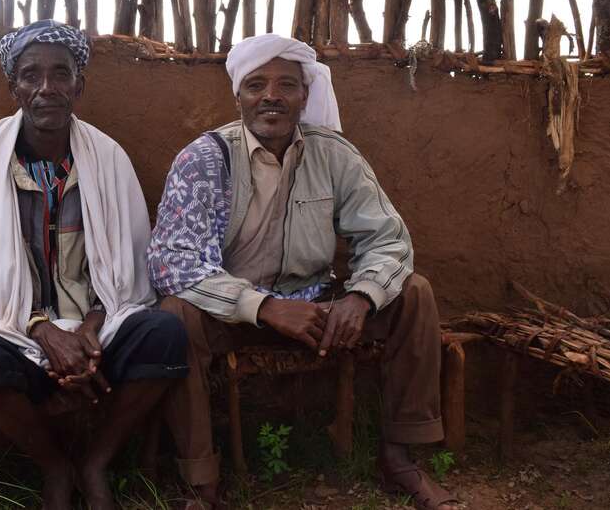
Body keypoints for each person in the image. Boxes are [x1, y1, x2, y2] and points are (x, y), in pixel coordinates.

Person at [147, 34, 459, 510]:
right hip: (236, 314)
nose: (271, 96)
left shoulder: (333, 154)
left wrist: (361, 297)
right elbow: (173, 260)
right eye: (256, 85)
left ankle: (400, 460)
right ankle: (201, 481)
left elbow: (389, 239)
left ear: (305, 95)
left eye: (286, 85)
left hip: (318, 309)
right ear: (238, 96)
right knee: (174, 315)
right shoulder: (204, 160)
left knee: (414, 293)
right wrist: (265, 307)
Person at [0, 20, 189, 510]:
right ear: (14, 87)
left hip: (96, 332)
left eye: (60, 74)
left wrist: (89, 331)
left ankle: (96, 461)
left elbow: (128, 270)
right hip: (10, 330)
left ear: (79, 86)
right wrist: (42, 330)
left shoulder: (108, 158)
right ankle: (54, 465)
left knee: (166, 335)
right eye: (31, 75)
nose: (47, 87)